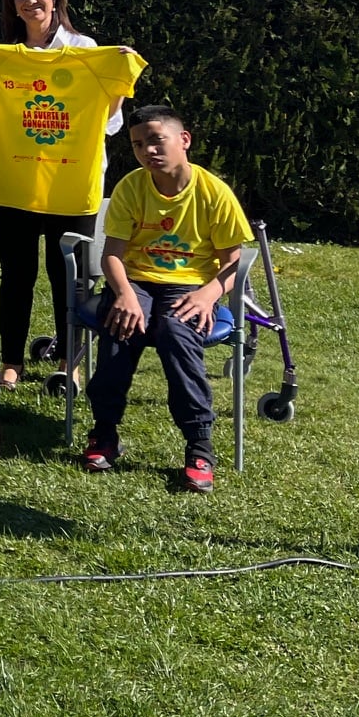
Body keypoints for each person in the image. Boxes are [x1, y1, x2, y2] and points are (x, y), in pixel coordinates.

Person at [82, 106, 252, 492]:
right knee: (122, 325)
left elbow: (233, 261)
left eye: (156, 140)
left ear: (184, 140)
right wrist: (123, 293)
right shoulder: (131, 186)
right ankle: (104, 432)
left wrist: (208, 294)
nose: (147, 151)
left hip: (190, 285)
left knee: (176, 333)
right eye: (138, 144)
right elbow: (113, 253)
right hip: (136, 280)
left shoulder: (214, 193)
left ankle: (199, 446)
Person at [0, 0, 127, 385]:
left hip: (71, 183)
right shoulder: (3, 58)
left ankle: (70, 363)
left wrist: (112, 87)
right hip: (16, 183)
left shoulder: (86, 50)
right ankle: (12, 361)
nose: (29, 0)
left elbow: (110, 123)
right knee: (17, 275)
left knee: (70, 277)